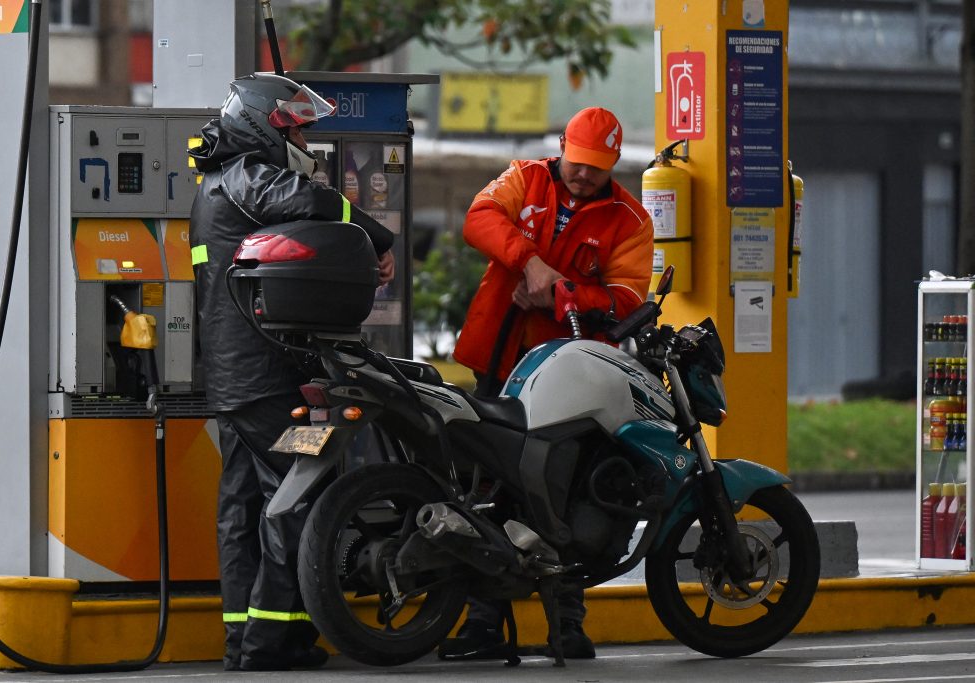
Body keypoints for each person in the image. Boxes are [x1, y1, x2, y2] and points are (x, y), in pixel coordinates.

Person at [189, 73, 395, 671]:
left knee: (245, 506)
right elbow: (313, 201)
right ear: (262, 125)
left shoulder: (217, 183)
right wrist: (374, 235)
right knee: (297, 495)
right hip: (265, 375)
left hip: (237, 380)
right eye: (295, 126)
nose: (303, 136)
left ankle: (245, 636)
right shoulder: (246, 177)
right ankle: (272, 640)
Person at [440, 107, 654, 661]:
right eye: (578, 163)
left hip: (575, 378)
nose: (585, 175)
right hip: (501, 362)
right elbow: (480, 218)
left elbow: (627, 299)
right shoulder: (525, 177)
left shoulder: (629, 220)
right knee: (485, 492)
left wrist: (560, 296)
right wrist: (530, 262)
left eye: (598, 168)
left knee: (569, 493)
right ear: (563, 147)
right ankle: (481, 625)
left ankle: (567, 623)